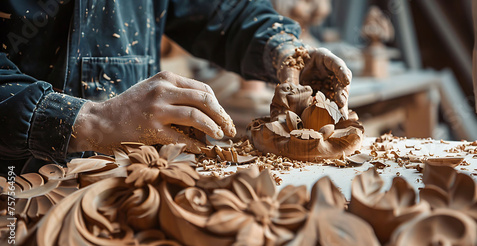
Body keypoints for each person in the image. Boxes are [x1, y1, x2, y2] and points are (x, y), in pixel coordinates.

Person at [0, 0, 351, 174]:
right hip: (16, 187)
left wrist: (285, 53)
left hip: (135, 175)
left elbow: (221, 12)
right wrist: (88, 120)